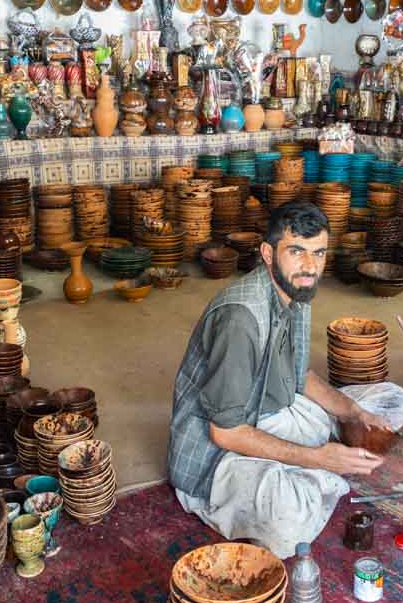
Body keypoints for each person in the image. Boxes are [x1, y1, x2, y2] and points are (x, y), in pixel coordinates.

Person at [167, 200, 391, 558]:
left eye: (318, 253)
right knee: (289, 526)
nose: (310, 265)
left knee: (389, 400)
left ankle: (307, 462)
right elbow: (224, 432)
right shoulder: (240, 319)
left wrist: (352, 411)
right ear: (268, 253)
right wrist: (318, 459)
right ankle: (302, 472)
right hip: (213, 454)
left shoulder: (298, 289)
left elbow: (299, 372)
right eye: (297, 251)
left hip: (267, 410)